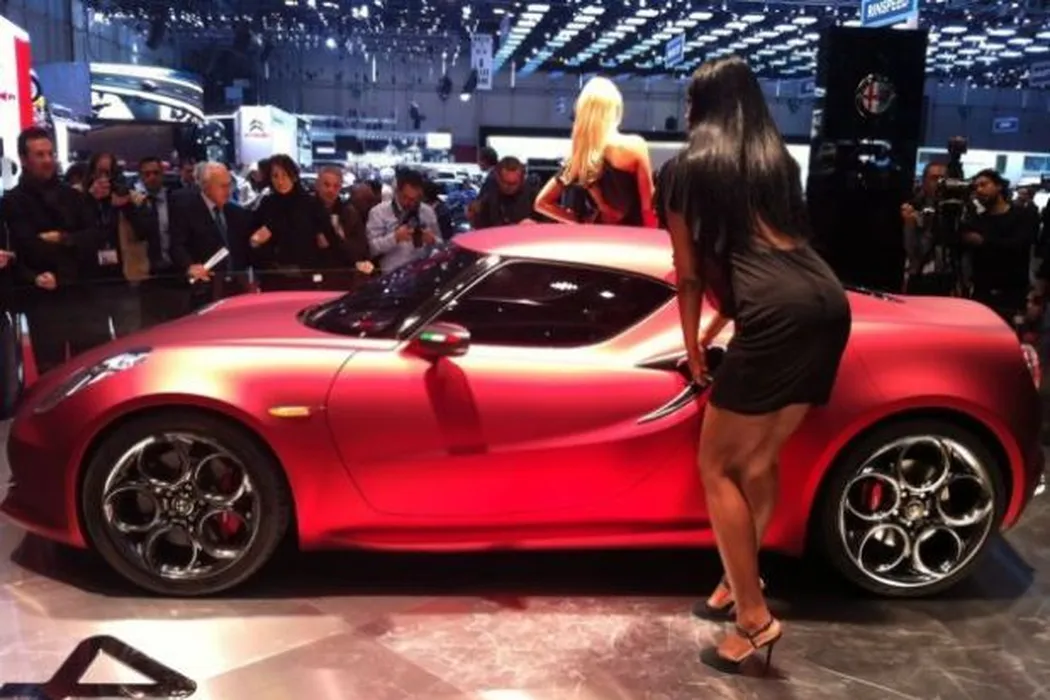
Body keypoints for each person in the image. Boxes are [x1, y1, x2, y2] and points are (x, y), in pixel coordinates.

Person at [664, 57, 850, 674]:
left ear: (701, 107)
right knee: (759, 459)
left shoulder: (684, 170)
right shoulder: (777, 163)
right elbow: (761, 260)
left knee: (717, 466)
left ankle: (753, 618)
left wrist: (693, 346)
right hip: (827, 300)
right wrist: (720, 328)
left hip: (774, 315)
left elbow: (691, 275)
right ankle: (734, 580)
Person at [534, 76, 654, 226]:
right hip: (632, 235)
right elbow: (648, 208)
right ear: (614, 109)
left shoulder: (580, 158)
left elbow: (541, 203)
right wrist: (654, 236)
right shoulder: (636, 146)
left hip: (594, 236)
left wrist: (579, 221)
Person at [249, 154, 340, 291]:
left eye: (284, 175)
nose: (280, 181)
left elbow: (330, 241)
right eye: (275, 176)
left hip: (305, 278)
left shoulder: (311, 204)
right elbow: (254, 241)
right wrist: (255, 242)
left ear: (293, 176)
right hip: (273, 278)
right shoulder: (266, 204)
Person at [168, 162, 252, 308]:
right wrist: (189, 266)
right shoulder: (187, 211)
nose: (228, 191)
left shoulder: (236, 212)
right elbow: (177, 245)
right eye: (222, 186)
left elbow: (244, 249)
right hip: (206, 288)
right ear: (206, 186)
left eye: (229, 185)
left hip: (237, 288)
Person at [962, 169, 1031, 322]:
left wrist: (983, 242)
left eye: (984, 184)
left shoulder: (1022, 215)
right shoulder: (978, 219)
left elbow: (1019, 245)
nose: (979, 190)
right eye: (976, 187)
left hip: (1012, 295)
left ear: (998, 186)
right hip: (982, 294)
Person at [366, 168, 440, 273]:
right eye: (406, 197)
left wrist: (433, 240)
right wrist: (395, 238)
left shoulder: (427, 211)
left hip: (421, 271)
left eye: (415, 199)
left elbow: (442, 244)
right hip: (391, 273)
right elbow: (371, 249)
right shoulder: (378, 212)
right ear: (397, 192)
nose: (411, 203)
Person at [473, 157, 537, 229]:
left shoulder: (532, 192)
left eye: (514, 183)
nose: (509, 187)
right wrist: (473, 215)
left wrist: (535, 224)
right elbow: (479, 225)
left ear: (522, 180)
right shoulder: (489, 190)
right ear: (498, 178)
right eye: (505, 183)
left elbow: (544, 221)